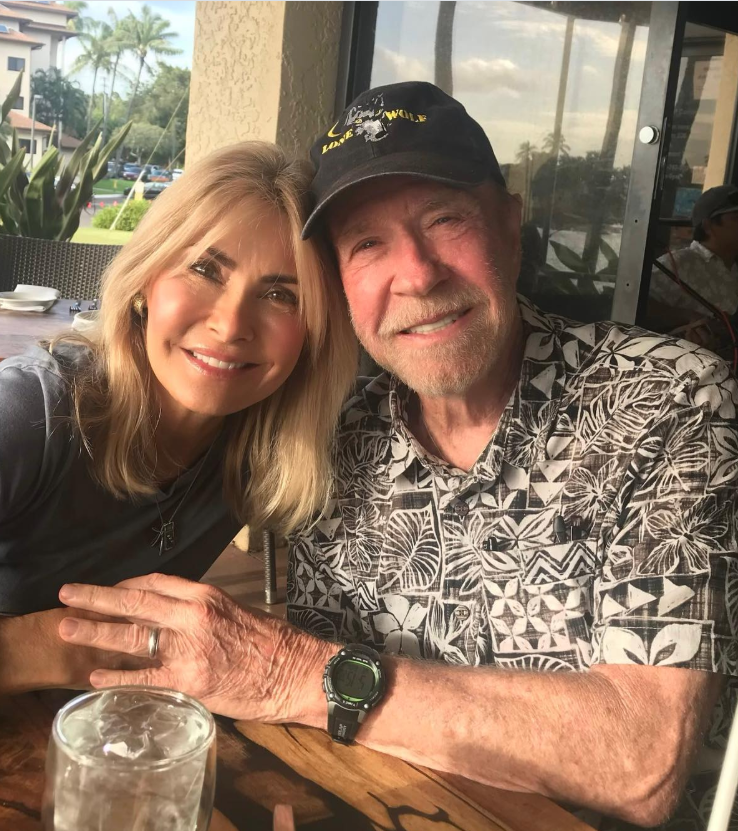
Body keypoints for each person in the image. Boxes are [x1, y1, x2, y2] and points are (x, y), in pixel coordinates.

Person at [58, 84, 738, 829]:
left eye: (446, 220)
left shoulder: (665, 400)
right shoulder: (333, 425)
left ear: (511, 226)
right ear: (337, 284)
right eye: (366, 244)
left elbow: (637, 760)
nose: (416, 274)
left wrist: (288, 672)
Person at [0, 141, 357, 693]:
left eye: (282, 295)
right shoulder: (31, 412)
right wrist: (51, 647)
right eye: (204, 269)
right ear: (147, 279)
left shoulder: (265, 447)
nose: (231, 323)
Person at [648, 184, 738, 343]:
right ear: (708, 226)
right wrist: (686, 316)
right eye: (736, 218)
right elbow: (638, 303)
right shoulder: (678, 264)